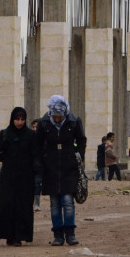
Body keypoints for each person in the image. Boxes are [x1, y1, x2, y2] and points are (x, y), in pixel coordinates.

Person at [35, 95, 87, 246]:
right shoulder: (44, 123)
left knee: (67, 200)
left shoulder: (74, 121)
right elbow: (38, 143)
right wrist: (41, 160)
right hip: (50, 167)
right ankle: (58, 235)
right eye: (55, 116)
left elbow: (81, 140)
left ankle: (70, 233)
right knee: (54, 203)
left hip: (69, 165)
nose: (57, 119)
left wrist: (78, 155)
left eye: (60, 117)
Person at [0, 106, 38, 246]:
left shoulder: (31, 135)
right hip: (8, 176)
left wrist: (36, 173)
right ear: (12, 119)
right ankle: (9, 235)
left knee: (23, 206)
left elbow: (35, 155)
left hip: (25, 177)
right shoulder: (5, 133)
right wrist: (1, 148)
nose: (19, 122)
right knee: (7, 205)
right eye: (17, 119)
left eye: (22, 119)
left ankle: (19, 236)